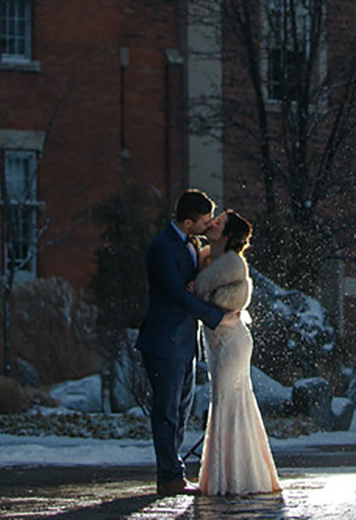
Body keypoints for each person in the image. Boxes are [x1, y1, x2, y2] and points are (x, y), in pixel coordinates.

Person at [136, 189, 241, 497]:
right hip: (164, 341)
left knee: (182, 409)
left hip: (183, 342)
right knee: (167, 411)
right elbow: (176, 293)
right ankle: (169, 476)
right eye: (205, 220)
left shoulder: (191, 243)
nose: (209, 224)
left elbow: (190, 287)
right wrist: (216, 317)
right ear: (187, 221)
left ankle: (174, 472)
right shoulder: (162, 248)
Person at [193, 210, 281, 496]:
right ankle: (230, 475)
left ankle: (232, 478)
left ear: (228, 235)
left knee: (229, 401)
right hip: (219, 341)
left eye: (218, 223)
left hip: (232, 343)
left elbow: (207, 294)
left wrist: (195, 288)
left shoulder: (231, 263)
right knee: (227, 402)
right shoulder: (208, 257)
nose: (212, 223)